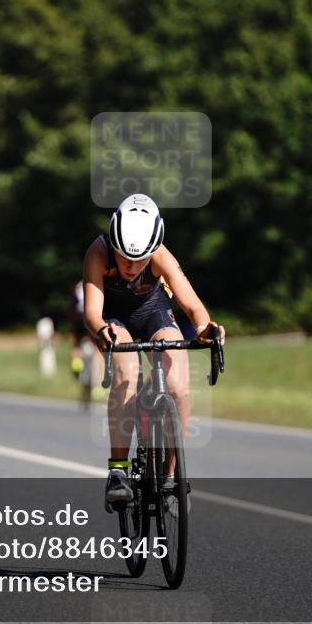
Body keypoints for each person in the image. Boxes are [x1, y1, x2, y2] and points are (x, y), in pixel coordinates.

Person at [82, 194, 225, 508]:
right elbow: (92, 312)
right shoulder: (98, 252)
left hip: (153, 311)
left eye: (141, 259)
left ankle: (171, 476)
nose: (132, 267)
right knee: (127, 373)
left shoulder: (160, 254)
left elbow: (192, 304)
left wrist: (205, 328)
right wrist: (103, 332)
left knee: (178, 386)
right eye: (124, 258)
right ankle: (118, 473)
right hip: (113, 317)